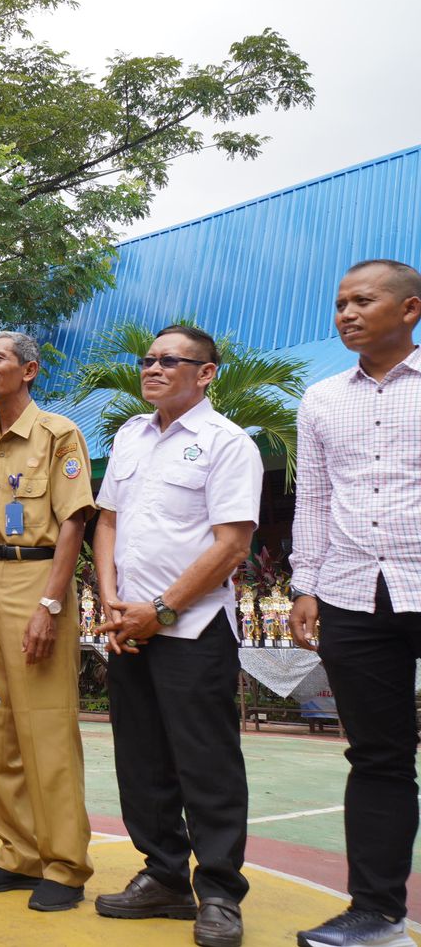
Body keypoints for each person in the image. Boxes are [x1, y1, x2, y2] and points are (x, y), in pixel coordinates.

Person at [92, 325, 261, 947]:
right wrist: (109, 597)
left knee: (206, 763)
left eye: (170, 360)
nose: (154, 368)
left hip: (191, 628)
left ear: (207, 372)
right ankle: (162, 875)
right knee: (141, 759)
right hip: (127, 622)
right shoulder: (130, 436)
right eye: (149, 360)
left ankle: (218, 892)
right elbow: (106, 522)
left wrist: (159, 610)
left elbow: (232, 545)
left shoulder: (227, 444)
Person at [289, 260, 421, 947]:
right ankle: (376, 915)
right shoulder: (320, 399)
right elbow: (312, 498)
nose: (346, 313)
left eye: (362, 300)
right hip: (351, 595)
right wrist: (306, 583)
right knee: (377, 757)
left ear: (410, 310)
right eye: (339, 302)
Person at [0, 331, 96, 912]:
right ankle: (18, 854)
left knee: (44, 724)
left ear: (29, 369)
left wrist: (51, 604)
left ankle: (64, 863)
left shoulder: (58, 434)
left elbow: (74, 522)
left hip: (37, 582)